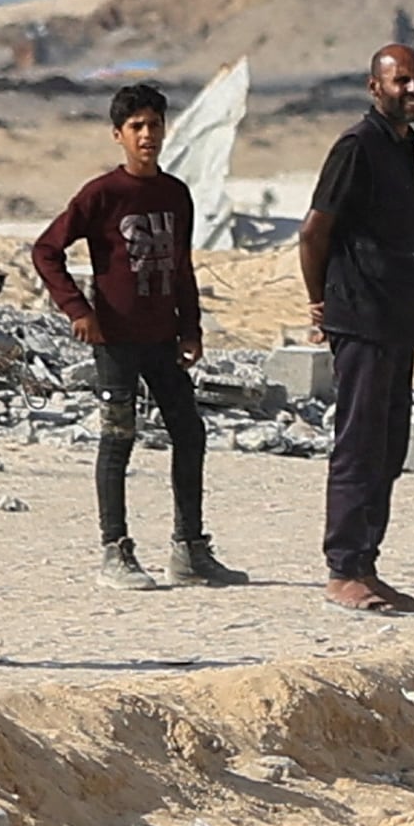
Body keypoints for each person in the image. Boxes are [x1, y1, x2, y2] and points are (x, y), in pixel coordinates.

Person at [32, 80, 243, 589]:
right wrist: (78, 310)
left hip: (163, 339)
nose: (147, 135)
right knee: (118, 438)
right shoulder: (102, 195)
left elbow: (183, 266)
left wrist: (190, 327)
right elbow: (46, 251)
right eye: (137, 127)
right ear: (118, 135)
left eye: (155, 125)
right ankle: (115, 551)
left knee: (190, 433)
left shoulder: (175, 194)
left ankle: (189, 549)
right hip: (115, 340)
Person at [302, 42, 414, 615]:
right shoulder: (357, 147)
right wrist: (319, 304)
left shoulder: (402, 148)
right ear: (374, 86)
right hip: (359, 314)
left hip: (397, 317)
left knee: (389, 445)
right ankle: (344, 568)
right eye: (400, 81)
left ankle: (368, 563)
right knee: (357, 445)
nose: (412, 89)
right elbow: (313, 232)